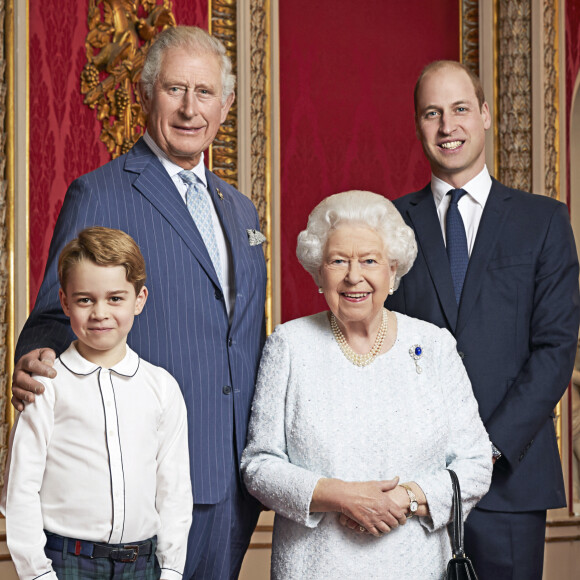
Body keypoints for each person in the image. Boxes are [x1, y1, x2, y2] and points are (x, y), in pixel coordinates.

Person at [11, 26, 267, 579]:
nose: (189, 108)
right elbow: (56, 317)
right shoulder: (100, 192)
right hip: (146, 483)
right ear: (146, 95)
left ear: (225, 105)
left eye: (204, 93)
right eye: (175, 89)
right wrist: (33, 356)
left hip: (235, 482)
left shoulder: (242, 213)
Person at [387, 60, 580, 579]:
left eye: (460, 110)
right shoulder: (389, 224)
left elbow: (555, 350)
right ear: (418, 124)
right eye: (432, 113)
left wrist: (485, 451)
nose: (447, 126)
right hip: (414, 484)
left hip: (511, 480)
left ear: (486, 115)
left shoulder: (544, 222)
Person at [241, 191, 492, 579]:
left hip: (416, 564)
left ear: (393, 271)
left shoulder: (435, 345)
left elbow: (475, 465)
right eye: (338, 260)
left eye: (369, 261)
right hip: (315, 565)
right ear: (318, 272)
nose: (353, 276)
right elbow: (259, 465)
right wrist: (342, 497)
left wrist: (406, 499)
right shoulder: (290, 345)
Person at [1, 226, 192, 579]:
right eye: (85, 299)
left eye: (115, 298)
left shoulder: (161, 387)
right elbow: (21, 489)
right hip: (65, 563)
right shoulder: (47, 384)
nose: (100, 312)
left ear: (140, 299)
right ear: (64, 303)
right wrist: (38, 574)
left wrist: (171, 570)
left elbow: (174, 491)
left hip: (144, 564)